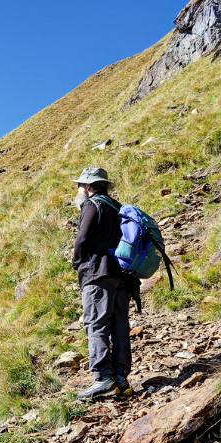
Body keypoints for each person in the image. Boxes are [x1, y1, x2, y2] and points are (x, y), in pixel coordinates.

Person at [71, 167, 136, 400]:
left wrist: (77, 262)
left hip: (98, 275)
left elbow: (83, 238)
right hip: (123, 277)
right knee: (119, 326)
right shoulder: (117, 207)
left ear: (88, 187)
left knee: (96, 324)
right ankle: (121, 378)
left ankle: (103, 378)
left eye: (80, 186)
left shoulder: (92, 204)